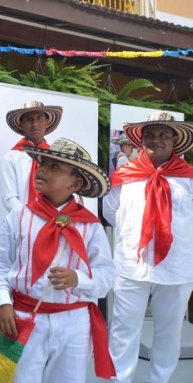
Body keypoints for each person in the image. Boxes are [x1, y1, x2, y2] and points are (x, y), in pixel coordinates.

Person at [0, 138, 116, 383]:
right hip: (23, 317)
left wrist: (78, 278)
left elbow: (107, 274)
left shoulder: (90, 225)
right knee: (17, 378)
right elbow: (0, 265)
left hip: (75, 323)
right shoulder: (18, 217)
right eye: (43, 163)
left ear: (75, 183)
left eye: (56, 167)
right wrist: (3, 302)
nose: (44, 169)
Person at [103, 111, 193, 383]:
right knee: (123, 330)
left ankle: (159, 380)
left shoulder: (189, 177)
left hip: (176, 265)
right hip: (132, 263)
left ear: (174, 141)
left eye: (163, 134)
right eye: (150, 135)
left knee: (169, 331)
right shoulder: (125, 174)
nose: (156, 139)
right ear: (141, 141)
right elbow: (109, 211)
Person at [0, 100, 63, 212]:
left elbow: (62, 192)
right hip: (22, 223)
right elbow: (9, 198)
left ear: (47, 122)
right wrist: (30, 219)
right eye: (29, 119)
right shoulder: (11, 157)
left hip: (53, 221)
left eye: (39, 118)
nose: (35, 124)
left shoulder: (57, 157)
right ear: (21, 124)